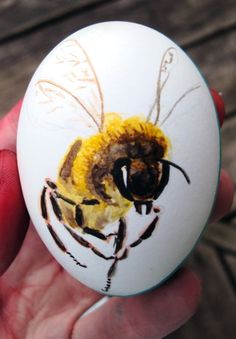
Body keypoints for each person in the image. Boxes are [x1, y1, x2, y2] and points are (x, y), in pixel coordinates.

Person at [0, 91, 233, 339]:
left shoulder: (136, 170)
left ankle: (114, 263)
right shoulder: (89, 179)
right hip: (78, 196)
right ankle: (99, 258)